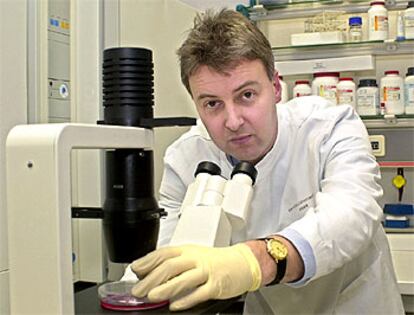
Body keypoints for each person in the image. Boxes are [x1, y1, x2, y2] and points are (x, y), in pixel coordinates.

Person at [124, 9, 405, 314]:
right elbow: (168, 254)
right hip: (270, 305)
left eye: (246, 95)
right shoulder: (186, 158)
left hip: (353, 301)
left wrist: (254, 260)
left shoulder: (329, 126)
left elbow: (352, 216)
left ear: (274, 88)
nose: (232, 121)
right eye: (212, 104)